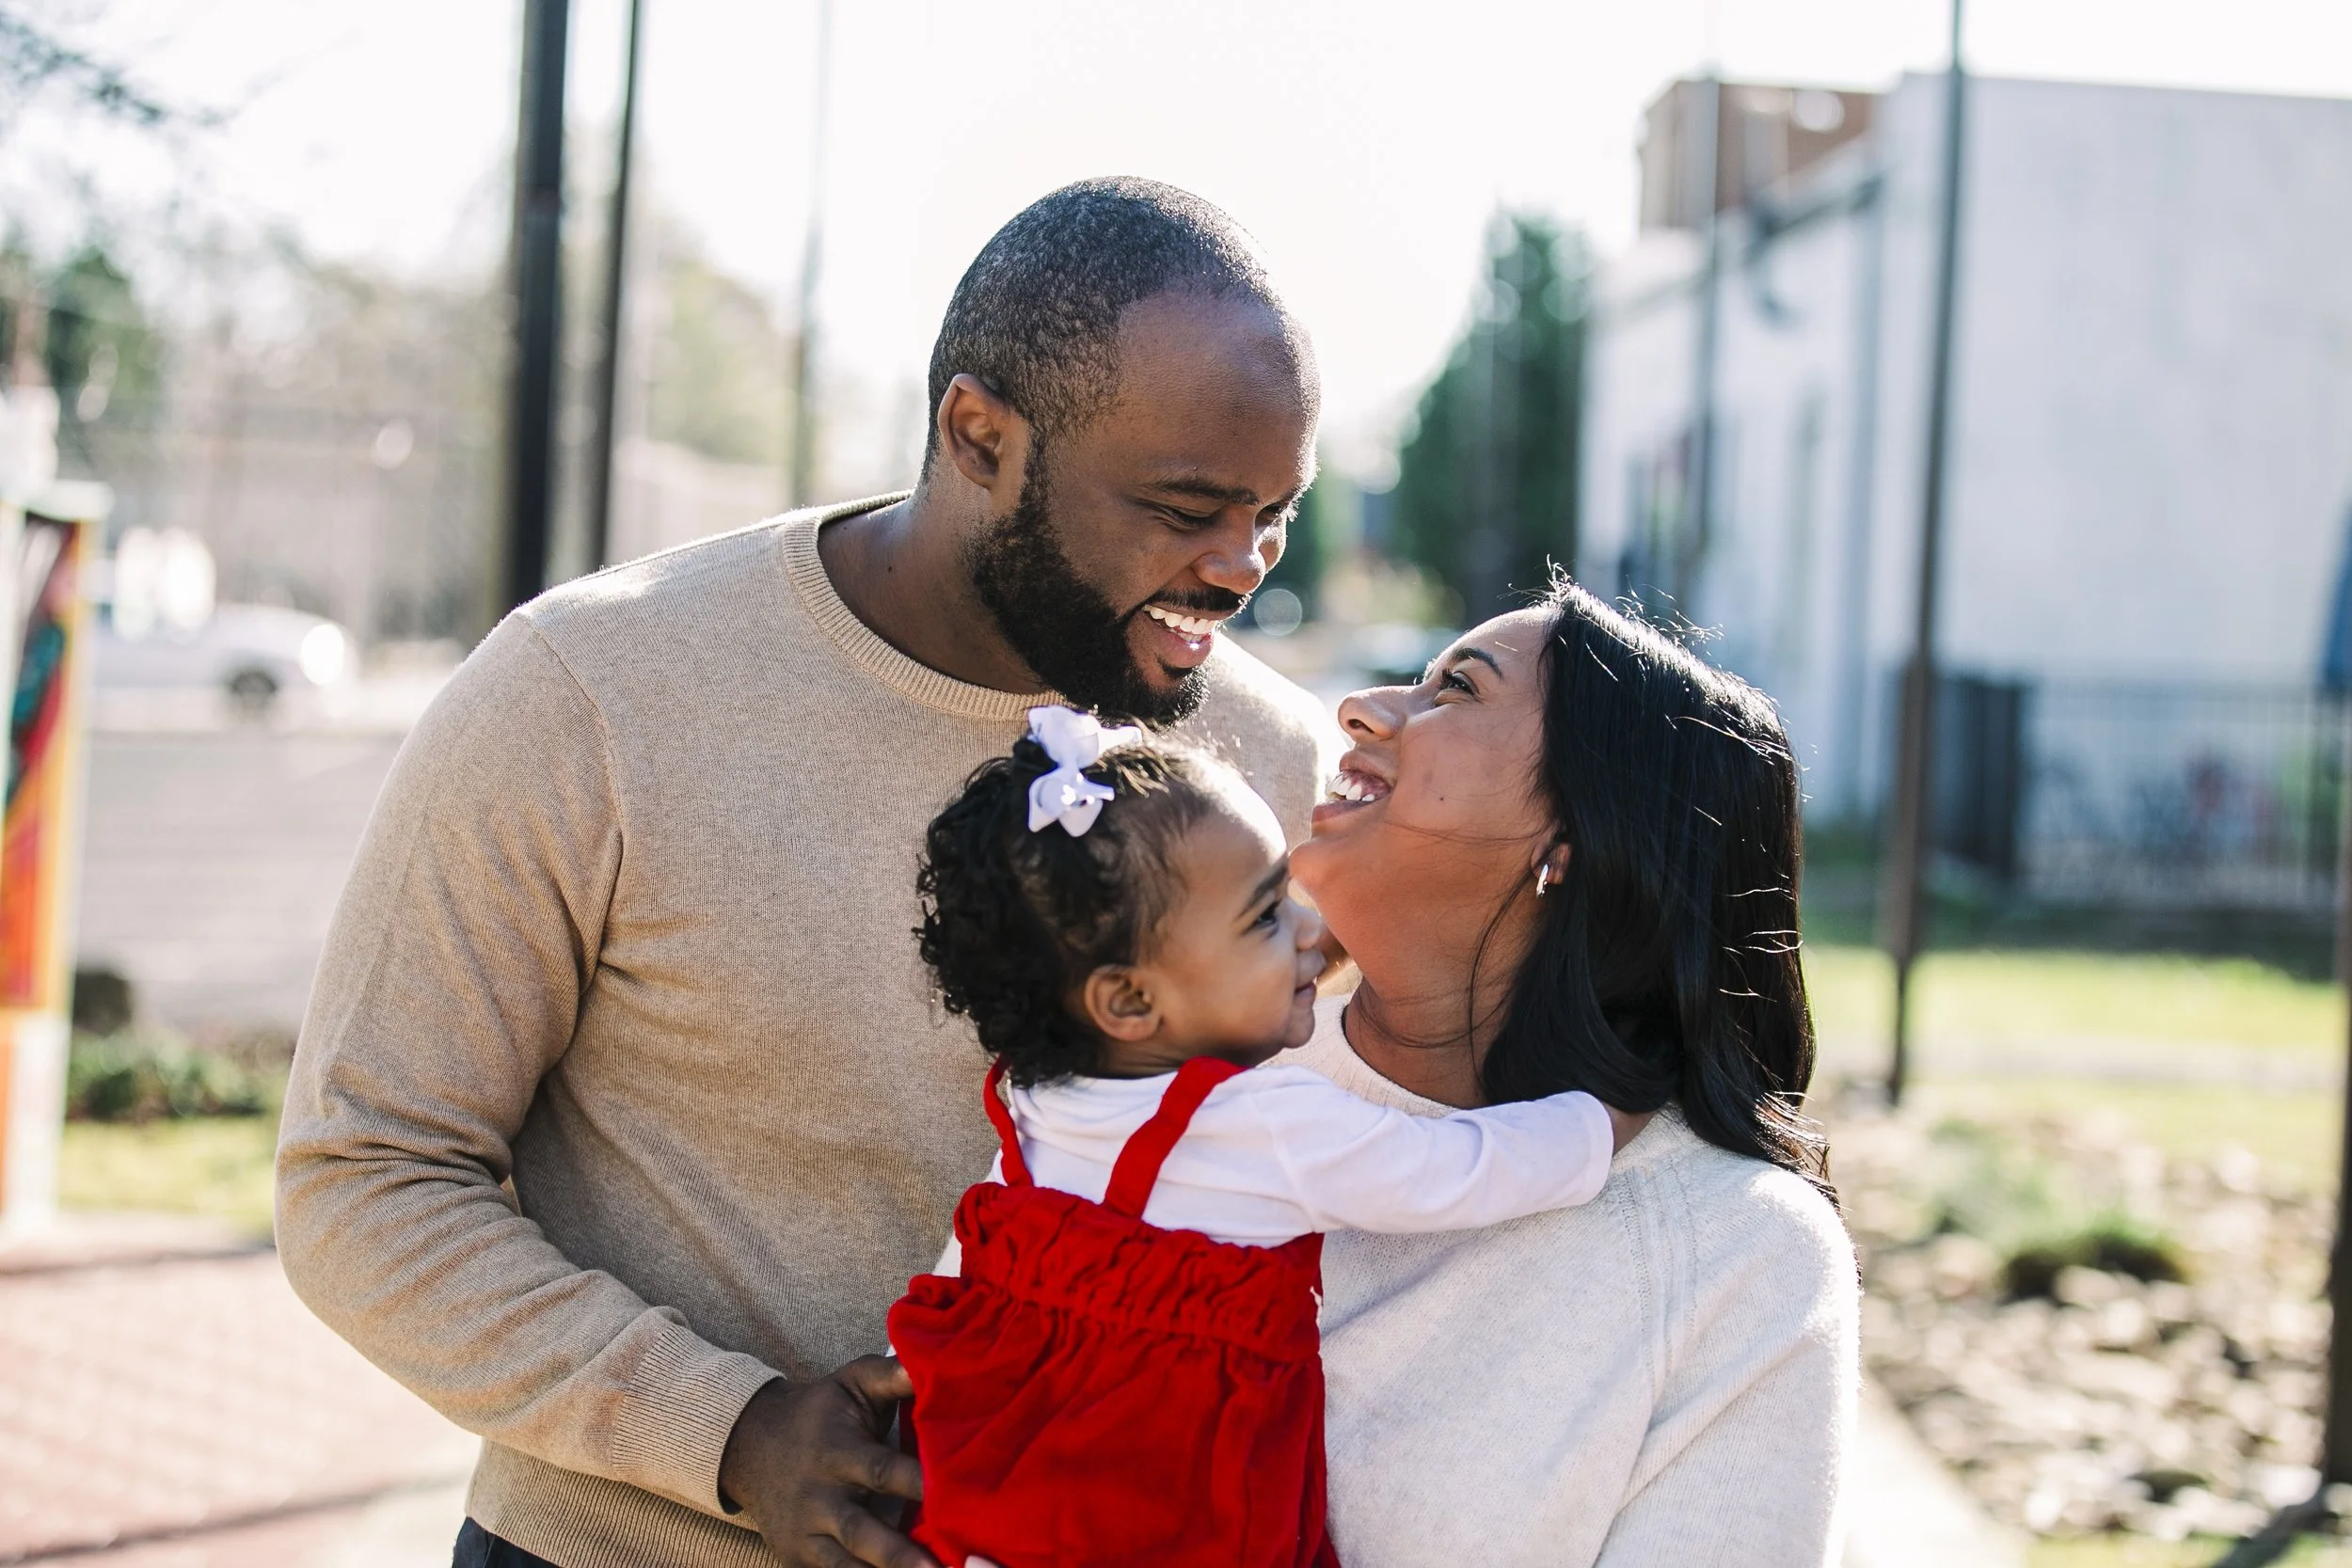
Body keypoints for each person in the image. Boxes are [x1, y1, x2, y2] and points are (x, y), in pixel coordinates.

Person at [274, 179, 1337, 1568]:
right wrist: (723, 1429)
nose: (1241, 565)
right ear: (980, 436)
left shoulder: (1277, 767)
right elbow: (364, 1173)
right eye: (1189, 505)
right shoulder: (590, 692)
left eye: (1276, 514)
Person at [886, 705, 1643, 1568]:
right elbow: (1456, 1170)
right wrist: (1603, 1117)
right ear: (1130, 1002)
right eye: (1264, 918)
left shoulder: (1030, 1108)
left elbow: (965, 1281)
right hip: (1175, 1519)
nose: (1311, 930)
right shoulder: (1270, 1126)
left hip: (998, 1509)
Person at [1279, 578, 1859, 1567]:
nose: (1364, 708)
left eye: (1455, 688)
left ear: (1569, 839)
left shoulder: (1737, 1255)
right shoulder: (1186, 1083)